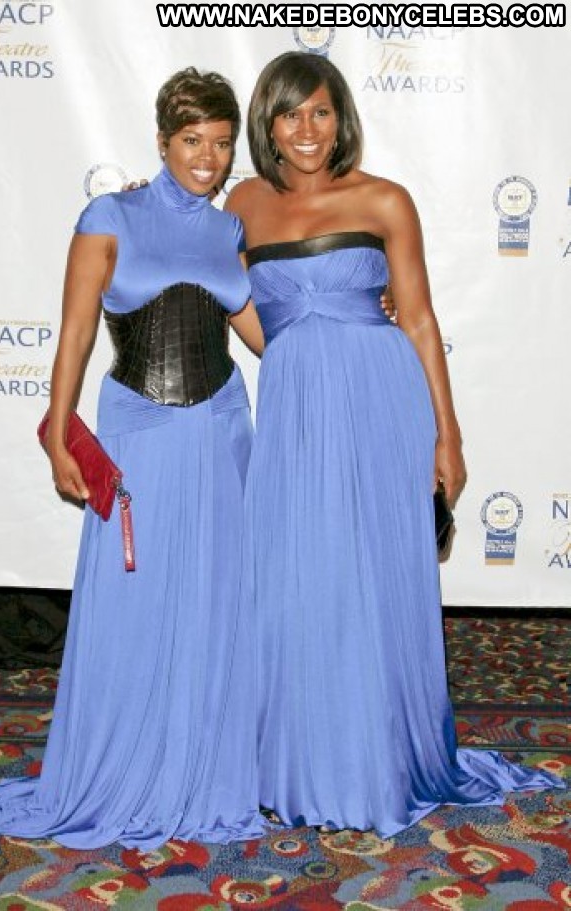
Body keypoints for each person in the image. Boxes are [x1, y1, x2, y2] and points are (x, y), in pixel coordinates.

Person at [226, 52, 563, 838]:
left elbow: (417, 317)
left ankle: (376, 759)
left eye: (320, 111)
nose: (306, 129)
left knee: (371, 582)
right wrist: (290, 343)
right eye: (289, 113)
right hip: (296, 412)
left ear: (340, 116)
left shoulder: (384, 199)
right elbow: (230, 297)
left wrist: (448, 433)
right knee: (299, 580)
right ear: (266, 123)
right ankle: (302, 761)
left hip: (380, 402)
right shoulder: (242, 203)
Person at [0, 68, 266, 850]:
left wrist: (352, 320)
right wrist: (60, 430)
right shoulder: (109, 214)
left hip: (221, 431)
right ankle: (128, 762)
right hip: (139, 432)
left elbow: (264, 335)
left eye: (222, 144)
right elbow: (77, 332)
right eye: (192, 140)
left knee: (216, 599)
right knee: (136, 603)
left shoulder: (229, 231)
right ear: (163, 139)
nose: (208, 158)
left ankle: (208, 762)